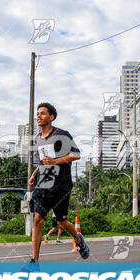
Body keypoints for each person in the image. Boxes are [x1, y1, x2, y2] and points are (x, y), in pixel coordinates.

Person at [26, 102, 88, 268]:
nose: (39, 116)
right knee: (38, 220)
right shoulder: (38, 139)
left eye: (43, 113)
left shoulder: (61, 134)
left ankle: (78, 238)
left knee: (61, 222)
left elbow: (76, 155)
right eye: (37, 113)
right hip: (43, 182)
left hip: (61, 184)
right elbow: (42, 161)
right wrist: (33, 175)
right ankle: (35, 262)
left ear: (51, 117)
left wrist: (56, 161)